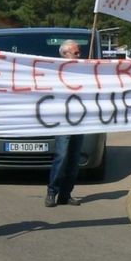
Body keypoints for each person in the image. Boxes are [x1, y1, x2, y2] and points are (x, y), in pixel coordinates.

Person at [45, 39, 84, 207]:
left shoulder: (84, 71)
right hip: (62, 121)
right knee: (62, 156)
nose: (78, 55)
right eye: (75, 53)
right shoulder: (55, 72)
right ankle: (52, 191)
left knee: (74, 159)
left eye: (79, 52)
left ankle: (66, 194)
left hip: (81, 121)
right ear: (64, 54)